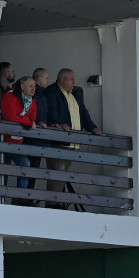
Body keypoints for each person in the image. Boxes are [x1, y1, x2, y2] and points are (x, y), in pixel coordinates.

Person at [43, 67, 102, 199]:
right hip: (58, 142)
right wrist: (59, 123)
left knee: (63, 176)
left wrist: (92, 128)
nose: (73, 82)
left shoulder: (75, 94)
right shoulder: (52, 92)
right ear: (62, 79)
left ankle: (58, 203)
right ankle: (53, 206)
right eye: (71, 79)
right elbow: (50, 111)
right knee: (56, 175)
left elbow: (83, 113)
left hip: (72, 143)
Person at [0, 76, 38, 199]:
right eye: (30, 86)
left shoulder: (32, 100)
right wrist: (28, 121)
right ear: (22, 86)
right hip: (4, 142)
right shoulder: (9, 96)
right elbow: (11, 117)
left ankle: (20, 200)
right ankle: (2, 200)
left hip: (18, 143)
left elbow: (33, 117)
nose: (33, 89)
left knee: (25, 164)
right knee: (4, 172)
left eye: (34, 86)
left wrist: (28, 121)